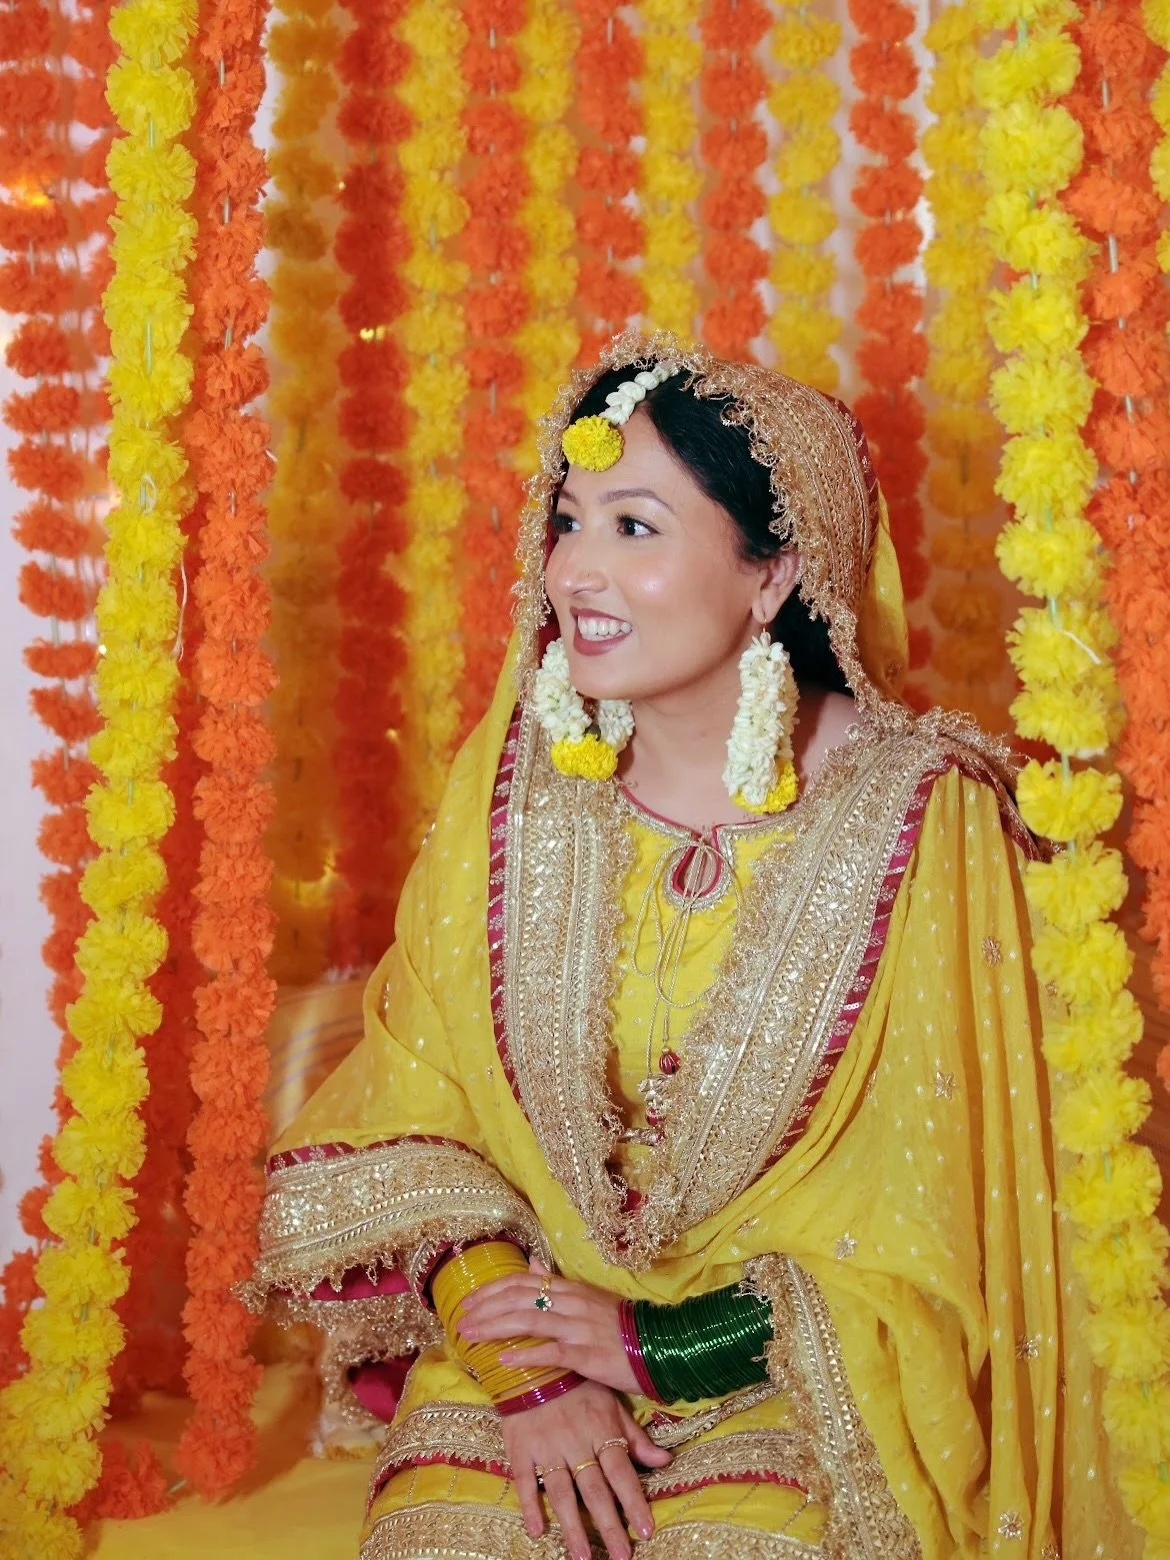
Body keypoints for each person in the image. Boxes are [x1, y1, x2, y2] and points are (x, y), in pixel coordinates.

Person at [243, 331, 1141, 1559]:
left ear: (774, 576)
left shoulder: (922, 820)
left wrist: (661, 1344)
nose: (576, 570)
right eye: (569, 521)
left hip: (806, 1384)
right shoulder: (514, 793)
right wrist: (534, 1373)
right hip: (527, 1361)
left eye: (636, 526)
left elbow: (940, 1226)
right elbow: (416, 1111)